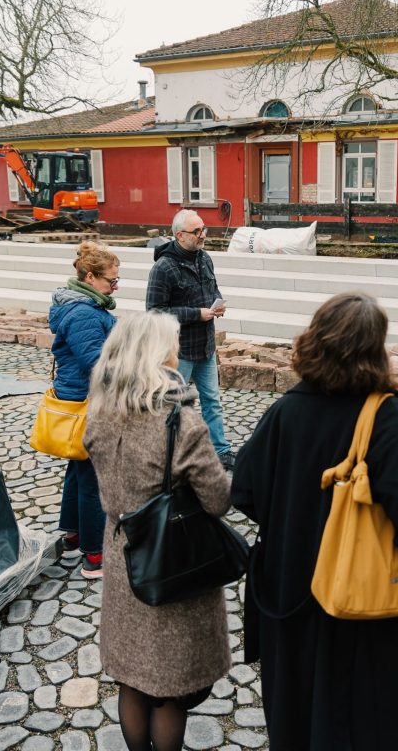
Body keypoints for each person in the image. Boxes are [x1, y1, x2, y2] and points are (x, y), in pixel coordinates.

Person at [231, 292, 398, 751]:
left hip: (291, 590)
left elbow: (246, 491)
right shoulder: (387, 418)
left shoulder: (285, 411)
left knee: (299, 717)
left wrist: (297, 524)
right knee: (367, 721)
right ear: (374, 349)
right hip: (365, 604)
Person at [84, 311, 232, 751]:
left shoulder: (99, 411)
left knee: (132, 678)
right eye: (172, 343)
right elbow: (218, 500)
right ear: (154, 355)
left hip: (121, 550)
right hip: (170, 560)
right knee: (168, 690)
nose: (177, 352)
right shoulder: (181, 422)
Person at [48, 240, 119, 578]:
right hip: (88, 401)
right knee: (92, 477)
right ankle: (94, 555)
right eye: (111, 281)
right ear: (91, 277)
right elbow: (95, 362)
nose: (115, 286)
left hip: (79, 397)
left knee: (78, 470)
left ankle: (74, 534)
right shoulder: (85, 313)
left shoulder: (83, 306)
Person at [145, 209, 233, 470]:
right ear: (180, 235)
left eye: (204, 229)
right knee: (174, 407)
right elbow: (155, 312)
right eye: (197, 231)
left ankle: (221, 451)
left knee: (212, 402)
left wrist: (217, 305)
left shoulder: (204, 258)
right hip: (178, 351)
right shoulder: (163, 268)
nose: (203, 234)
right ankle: (171, 459)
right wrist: (197, 314)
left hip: (205, 346)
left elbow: (212, 287)